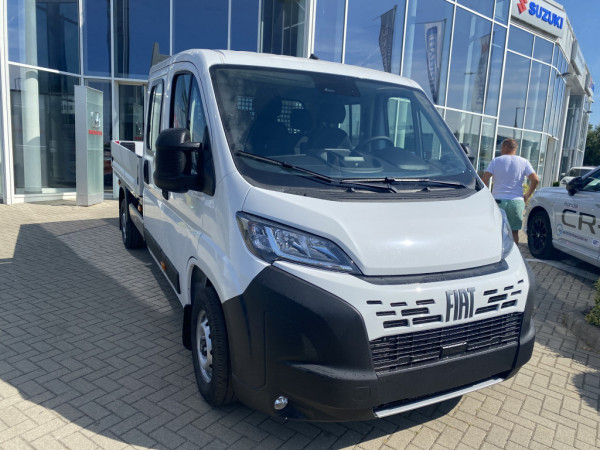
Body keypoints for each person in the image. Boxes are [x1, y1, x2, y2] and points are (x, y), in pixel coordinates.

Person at [481, 139, 539, 244]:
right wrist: (527, 195)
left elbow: (484, 178)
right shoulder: (524, 162)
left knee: (497, 230)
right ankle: (512, 252)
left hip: (498, 200)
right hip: (516, 201)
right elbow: (535, 180)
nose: (501, 149)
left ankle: (497, 251)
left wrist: (487, 194)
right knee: (514, 232)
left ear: (505, 147)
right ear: (515, 148)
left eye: (501, 147)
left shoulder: (496, 161)